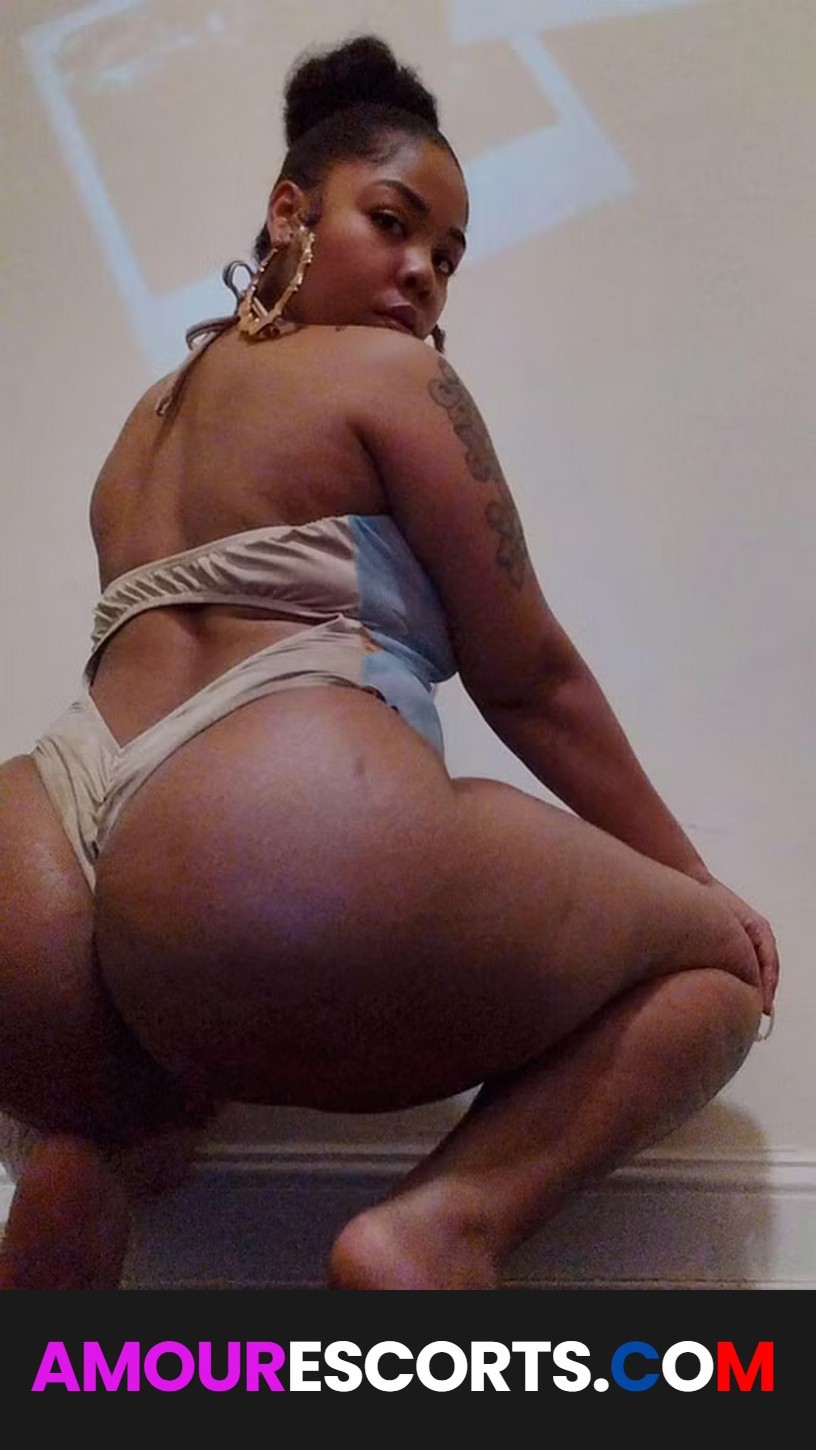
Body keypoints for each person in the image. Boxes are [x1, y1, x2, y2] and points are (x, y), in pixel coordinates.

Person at [0, 33, 778, 1292]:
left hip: (39, 867)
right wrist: (695, 877)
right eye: (393, 222)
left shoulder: (148, 417)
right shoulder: (392, 373)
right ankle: (440, 1229)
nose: (423, 272)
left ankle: (85, 1161)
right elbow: (529, 676)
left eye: (448, 256)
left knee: (111, 1095)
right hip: (260, 838)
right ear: (289, 214)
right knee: (717, 968)